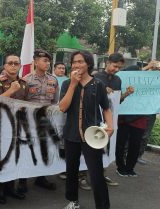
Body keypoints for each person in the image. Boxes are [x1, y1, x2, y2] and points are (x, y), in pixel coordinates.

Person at [59, 51, 113, 209]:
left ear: (88, 64)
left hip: (93, 135)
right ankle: (73, 201)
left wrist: (111, 127)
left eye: (80, 61)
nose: (76, 65)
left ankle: (103, 206)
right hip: (71, 134)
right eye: (74, 62)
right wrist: (73, 84)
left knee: (96, 173)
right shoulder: (67, 84)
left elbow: (106, 108)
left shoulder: (98, 85)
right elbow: (62, 107)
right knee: (71, 170)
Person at [94, 54, 142, 180]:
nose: (116, 69)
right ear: (107, 62)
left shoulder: (117, 80)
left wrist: (126, 93)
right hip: (95, 118)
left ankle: (101, 174)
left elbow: (116, 101)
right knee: (92, 146)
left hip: (109, 119)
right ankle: (82, 176)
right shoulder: (95, 77)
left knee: (105, 147)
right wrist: (102, 89)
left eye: (119, 68)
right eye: (115, 66)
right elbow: (89, 96)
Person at [19, 49, 58, 192]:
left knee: (44, 149)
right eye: (44, 60)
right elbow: (20, 102)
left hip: (45, 122)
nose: (47, 63)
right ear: (35, 62)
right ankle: (22, 180)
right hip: (29, 121)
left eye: (49, 61)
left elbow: (54, 103)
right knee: (27, 149)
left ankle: (41, 178)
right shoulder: (26, 80)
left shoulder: (53, 80)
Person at [0, 54, 28, 204]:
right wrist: (12, 89)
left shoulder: (24, 83)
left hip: (19, 125)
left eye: (16, 63)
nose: (13, 66)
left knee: (15, 158)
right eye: (10, 63)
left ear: (20, 66)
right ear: (5, 66)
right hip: (2, 127)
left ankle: (10, 188)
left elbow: (27, 104)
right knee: (2, 159)